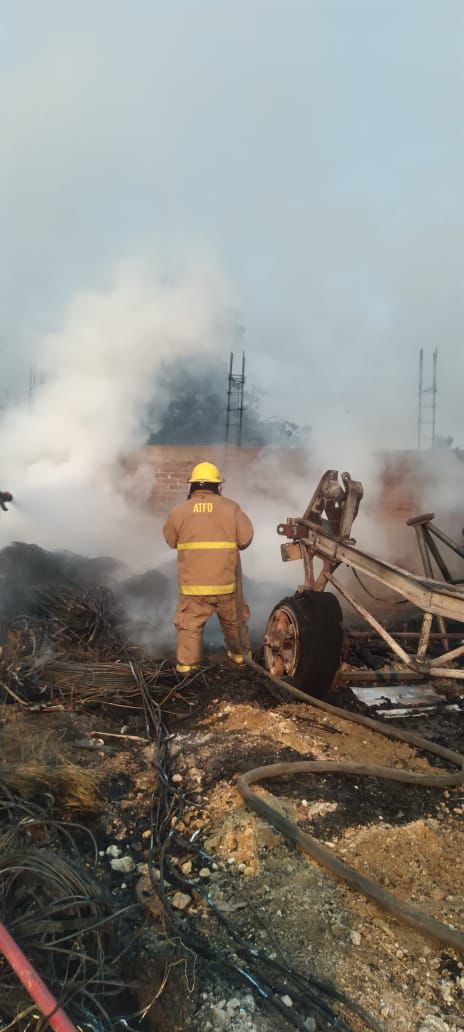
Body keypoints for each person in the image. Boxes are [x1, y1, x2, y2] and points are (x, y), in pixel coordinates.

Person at [163, 461, 254, 673]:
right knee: (234, 624)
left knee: (190, 627)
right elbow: (246, 539)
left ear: (192, 486)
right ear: (217, 486)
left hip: (193, 589)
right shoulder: (231, 508)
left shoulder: (179, 511)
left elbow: (170, 540)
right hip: (226, 587)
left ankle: (187, 669)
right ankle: (240, 662)